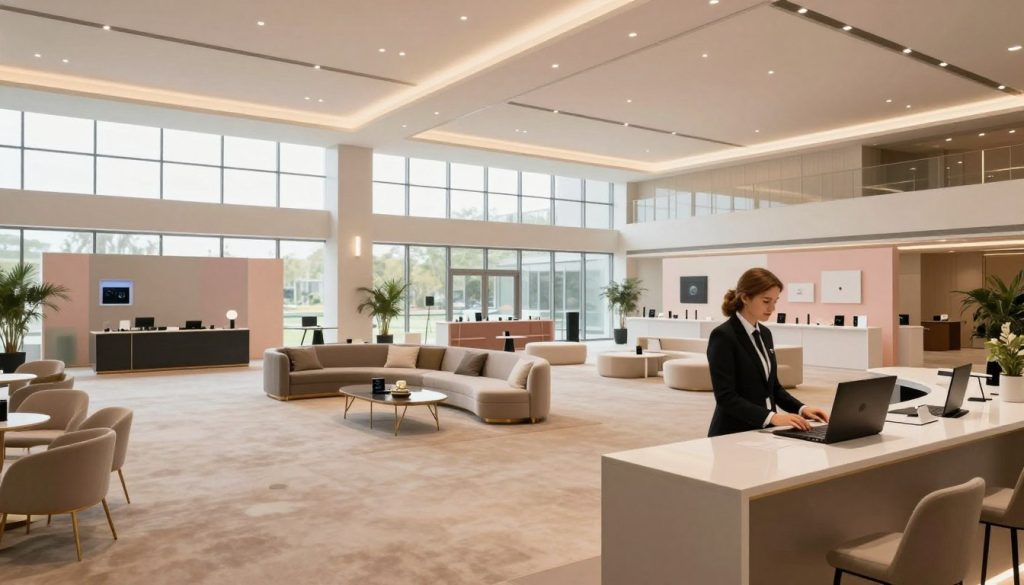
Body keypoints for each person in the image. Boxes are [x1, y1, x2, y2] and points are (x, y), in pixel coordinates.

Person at [707, 268, 829, 437]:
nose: (772, 308)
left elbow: (773, 387)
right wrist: (773, 417)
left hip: (764, 430)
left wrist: (802, 409)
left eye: (775, 301)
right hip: (732, 433)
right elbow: (726, 397)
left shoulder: (765, 333)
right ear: (744, 298)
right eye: (766, 301)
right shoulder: (723, 336)